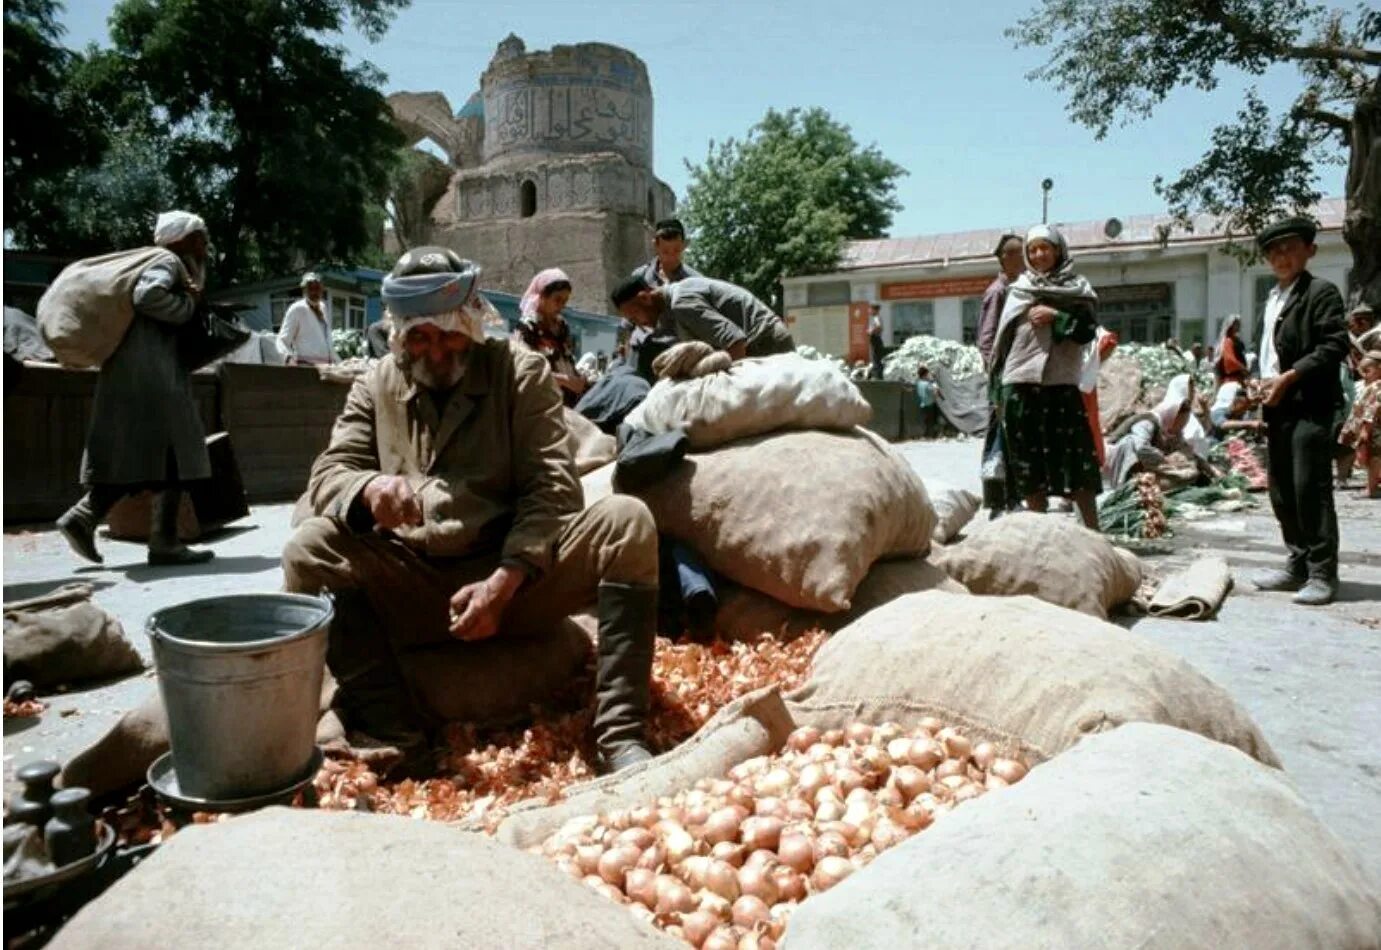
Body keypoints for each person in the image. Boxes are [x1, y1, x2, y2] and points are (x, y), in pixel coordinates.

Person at [281, 246, 659, 775]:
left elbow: (553, 488)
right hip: (415, 587)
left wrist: (503, 584)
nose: (435, 352)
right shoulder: (377, 384)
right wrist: (368, 489)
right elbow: (329, 474)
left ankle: (620, 735)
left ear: (473, 323)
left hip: (517, 581)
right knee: (308, 548)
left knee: (627, 522)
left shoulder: (520, 372)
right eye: (420, 338)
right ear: (400, 336)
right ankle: (396, 734)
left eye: (449, 335)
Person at [56, 211, 216, 566]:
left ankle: (85, 518)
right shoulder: (168, 261)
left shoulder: (164, 261)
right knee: (175, 453)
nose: (205, 246)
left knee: (139, 456)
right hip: (152, 375)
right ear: (184, 239)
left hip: (137, 372)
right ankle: (163, 541)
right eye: (200, 237)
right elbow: (148, 296)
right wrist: (187, 307)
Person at [1249, 216, 1350, 606]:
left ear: (1309, 250)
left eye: (1290, 248)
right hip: (1278, 408)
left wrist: (1289, 378)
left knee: (1311, 488)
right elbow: (1270, 352)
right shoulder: (1273, 298)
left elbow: (1333, 346)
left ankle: (1323, 573)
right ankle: (1298, 564)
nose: (1282, 256)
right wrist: (1260, 383)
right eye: (1274, 251)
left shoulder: (1320, 293)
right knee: (1282, 489)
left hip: (1311, 406)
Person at [988, 224, 1101, 528]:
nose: (1039, 255)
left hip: (1061, 386)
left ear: (1058, 250)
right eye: (1033, 249)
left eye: (1045, 248)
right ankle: (1040, 534)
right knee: (1028, 466)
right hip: (1020, 386)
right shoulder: (1019, 290)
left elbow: (1087, 331)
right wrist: (997, 393)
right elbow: (1001, 345)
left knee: (1077, 462)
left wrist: (1056, 316)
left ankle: (1095, 535)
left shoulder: (1078, 288)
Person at [611, 274, 795, 361]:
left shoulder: (681, 304)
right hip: (758, 345)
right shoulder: (669, 312)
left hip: (768, 344)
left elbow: (736, 343)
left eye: (635, 317)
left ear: (645, 298)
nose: (640, 325)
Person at [1103, 374, 1218, 488]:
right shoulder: (1147, 422)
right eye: (1178, 425)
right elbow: (1141, 447)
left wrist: (1209, 469)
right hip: (1117, 461)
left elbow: (1185, 449)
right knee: (1130, 442)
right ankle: (1128, 485)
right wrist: (1165, 459)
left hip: (1147, 461)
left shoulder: (1170, 428)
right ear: (1173, 418)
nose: (1178, 430)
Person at [512, 267, 586, 407]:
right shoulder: (527, 328)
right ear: (542, 297)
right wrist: (564, 380)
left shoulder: (561, 326)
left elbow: (566, 359)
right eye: (557, 299)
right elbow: (525, 372)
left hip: (568, 400)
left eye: (565, 301)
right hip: (542, 403)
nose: (561, 306)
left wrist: (578, 379)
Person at [1338, 352, 1381, 498]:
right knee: (1370, 458)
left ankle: (1371, 488)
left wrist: (1365, 430)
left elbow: (1372, 411)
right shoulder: (1369, 386)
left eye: (1367, 371)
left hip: (1374, 428)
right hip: (1367, 427)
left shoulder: (1377, 388)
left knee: (1374, 458)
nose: (1364, 375)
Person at [278, 272, 334, 366]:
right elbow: (282, 340)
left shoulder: (323, 307)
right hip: (306, 366)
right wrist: (288, 358)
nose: (314, 292)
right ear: (304, 290)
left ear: (321, 289)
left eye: (317, 288)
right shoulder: (297, 308)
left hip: (326, 368)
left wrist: (337, 361)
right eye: (310, 288)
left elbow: (327, 340)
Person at [633, 218, 701, 288]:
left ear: (683, 246)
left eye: (676, 250)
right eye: (665, 252)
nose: (671, 257)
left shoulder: (696, 281)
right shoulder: (640, 277)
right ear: (656, 246)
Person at [1213, 315, 1249, 385]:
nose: (1238, 326)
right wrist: (1242, 368)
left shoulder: (1238, 341)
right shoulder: (1227, 341)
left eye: (1238, 323)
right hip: (1232, 379)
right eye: (1236, 323)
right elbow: (1229, 360)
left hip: (1240, 378)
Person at [913, 366, 939, 438]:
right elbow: (935, 394)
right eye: (928, 374)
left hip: (922, 404)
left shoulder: (918, 383)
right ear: (925, 375)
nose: (928, 375)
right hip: (930, 404)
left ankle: (925, 434)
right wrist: (935, 386)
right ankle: (931, 435)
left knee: (926, 421)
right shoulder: (927, 384)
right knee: (931, 420)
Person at [868, 305, 886, 380]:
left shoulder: (876, 318)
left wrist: (871, 332)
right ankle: (877, 375)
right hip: (876, 339)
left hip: (875, 339)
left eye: (871, 310)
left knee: (876, 358)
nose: (869, 311)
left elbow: (879, 327)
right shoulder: (875, 318)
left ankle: (877, 376)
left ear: (875, 310)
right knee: (876, 358)